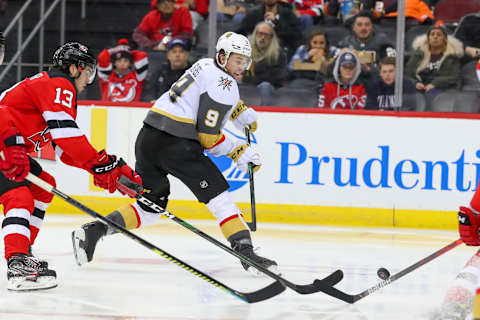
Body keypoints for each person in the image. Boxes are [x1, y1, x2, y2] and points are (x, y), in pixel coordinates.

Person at [71, 32, 278, 275]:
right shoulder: (227, 86)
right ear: (222, 56)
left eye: (245, 61)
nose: (241, 67)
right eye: (237, 60)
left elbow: (205, 95)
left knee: (150, 206)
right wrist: (238, 150)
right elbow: (209, 138)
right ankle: (246, 253)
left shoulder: (203, 64)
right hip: (177, 145)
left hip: (148, 137)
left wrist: (237, 110)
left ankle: (94, 231)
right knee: (220, 198)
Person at [0, 42, 142, 291]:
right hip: (4, 143)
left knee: (44, 188)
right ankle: (18, 263)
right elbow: (68, 138)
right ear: (75, 68)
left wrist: (103, 167)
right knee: (18, 196)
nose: (89, 80)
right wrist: (101, 165)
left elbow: (60, 148)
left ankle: (23, 252)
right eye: (89, 72)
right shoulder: (59, 84)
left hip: (7, 144)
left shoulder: (53, 88)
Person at [405, 21, 463, 111]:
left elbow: (453, 77)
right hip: (420, 87)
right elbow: (408, 73)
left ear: (444, 39)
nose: (435, 37)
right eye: (432, 34)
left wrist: (434, 84)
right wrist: (416, 83)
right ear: (428, 38)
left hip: (442, 89)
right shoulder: (419, 54)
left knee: (431, 95)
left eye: (439, 35)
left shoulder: (451, 55)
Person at [241, 21, 288, 106]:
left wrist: (247, 78)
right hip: (247, 86)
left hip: (270, 89)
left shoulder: (278, 55)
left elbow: (274, 78)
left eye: (266, 35)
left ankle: (265, 113)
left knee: (265, 86)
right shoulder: (245, 52)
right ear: (255, 35)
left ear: (271, 38)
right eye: (260, 34)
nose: (262, 38)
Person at [236, 0, 301, 55]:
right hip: (256, 51)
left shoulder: (288, 14)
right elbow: (242, 32)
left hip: (280, 52)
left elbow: (295, 37)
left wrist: (276, 23)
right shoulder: (253, 14)